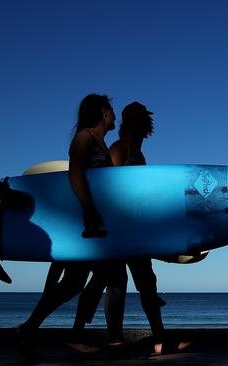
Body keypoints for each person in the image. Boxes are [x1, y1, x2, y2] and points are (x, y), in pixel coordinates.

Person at [73, 102, 188, 354]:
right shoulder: (120, 148)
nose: (142, 124)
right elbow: (108, 187)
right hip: (118, 229)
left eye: (143, 120)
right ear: (128, 125)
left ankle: (159, 339)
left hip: (135, 229)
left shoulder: (138, 154)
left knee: (146, 282)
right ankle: (108, 339)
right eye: (137, 120)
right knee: (114, 281)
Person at [17, 94, 127, 352]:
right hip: (85, 222)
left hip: (96, 221)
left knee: (79, 282)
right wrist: (88, 209)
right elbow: (75, 173)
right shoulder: (84, 138)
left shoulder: (99, 141)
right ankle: (114, 341)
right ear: (103, 112)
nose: (114, 114)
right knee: (104, 279)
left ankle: (30, 327)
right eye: (111, 109)